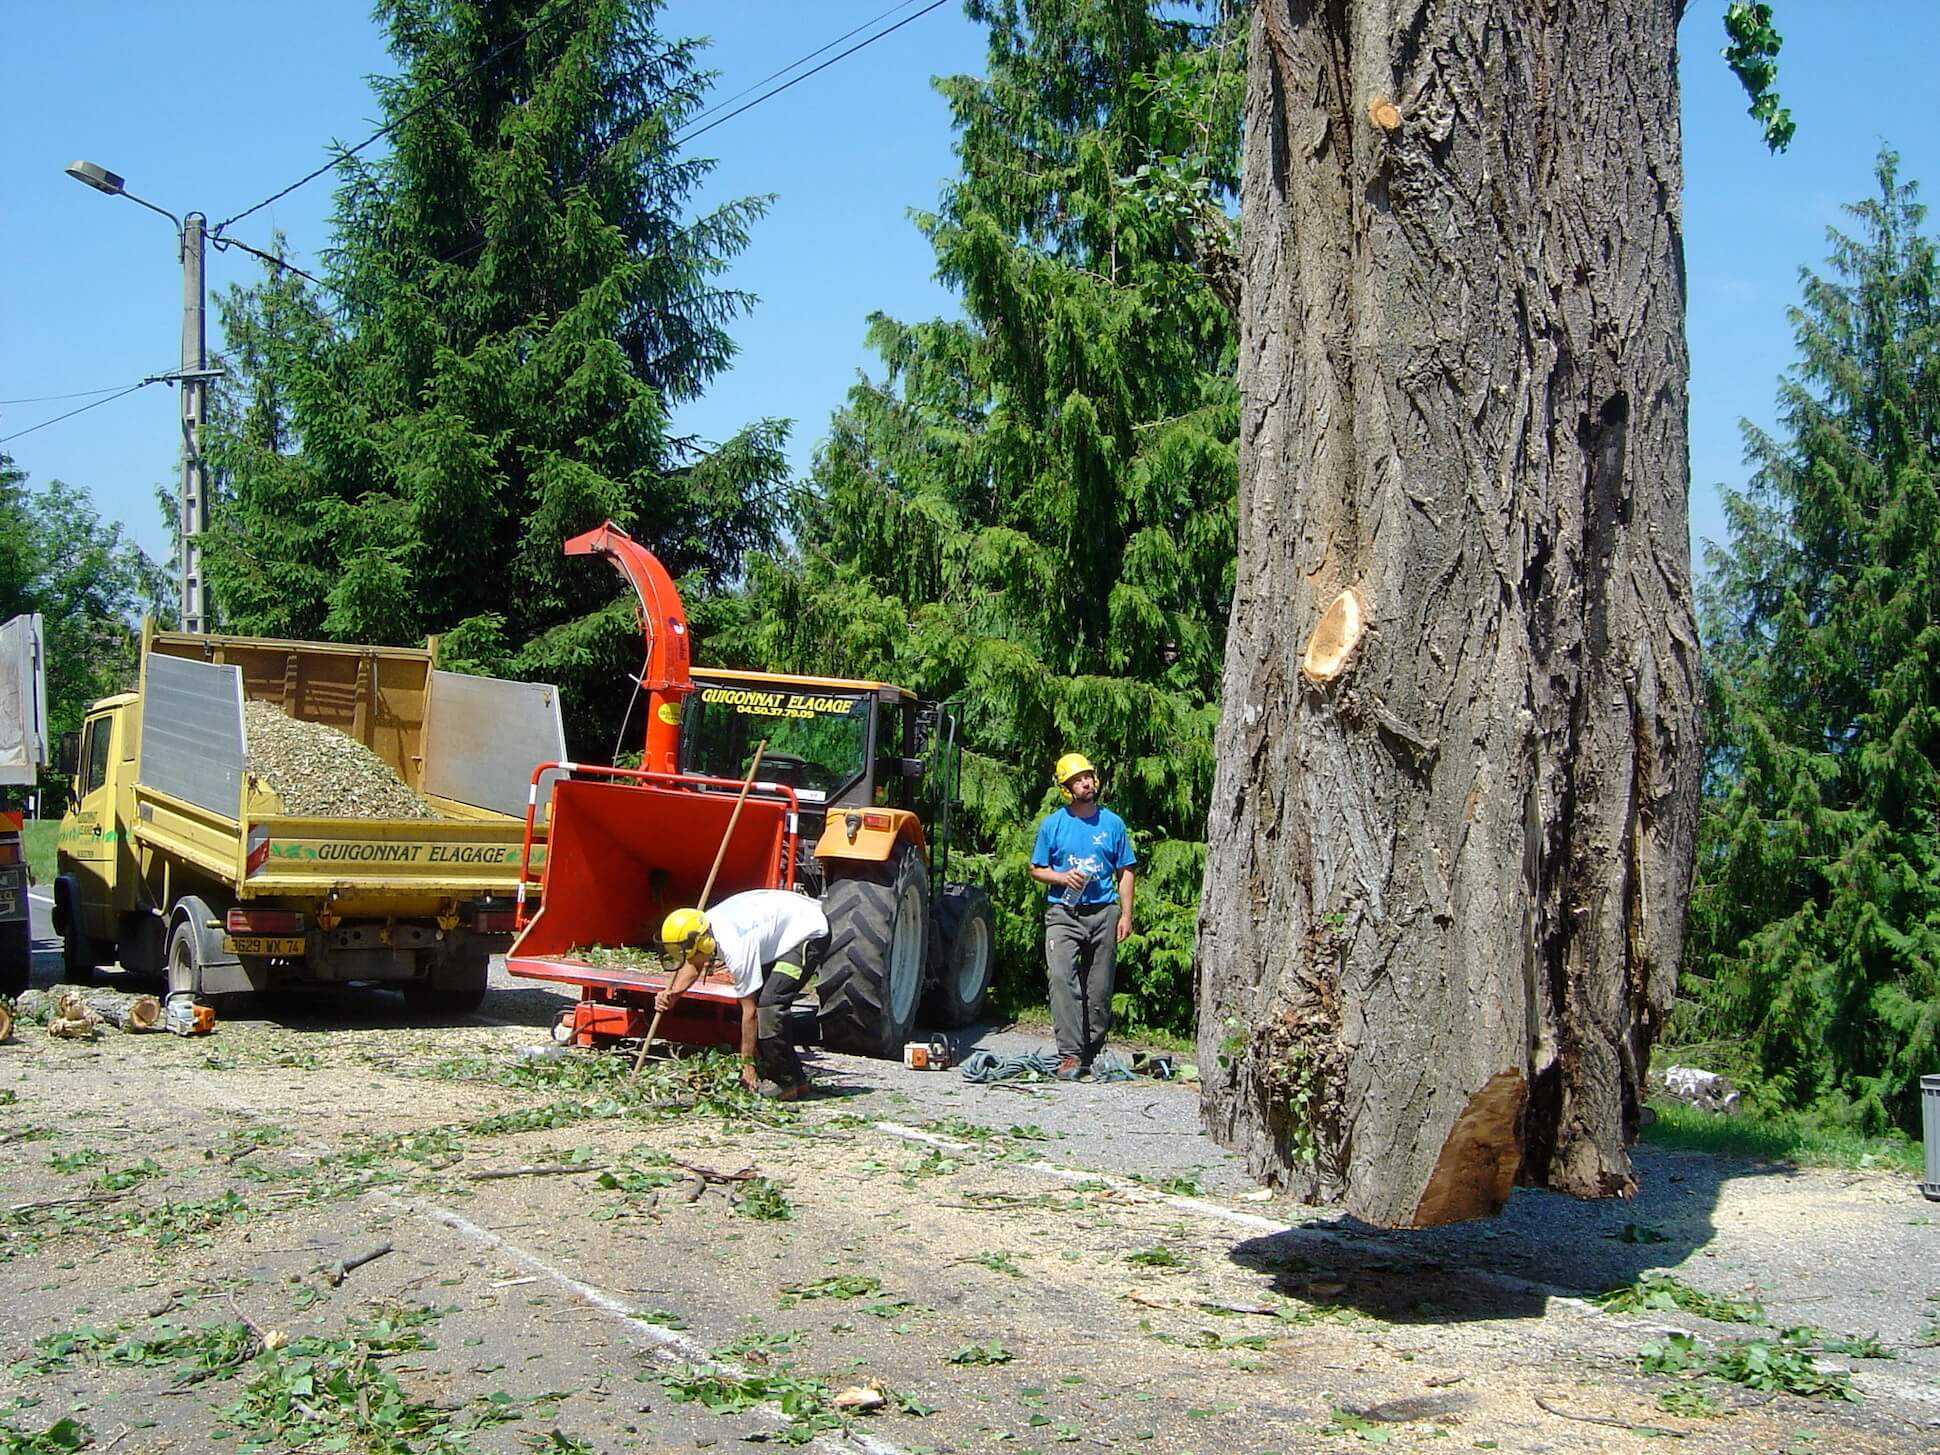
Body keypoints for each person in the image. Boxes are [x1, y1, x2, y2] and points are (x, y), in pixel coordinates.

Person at [656, 889, 829, 1100]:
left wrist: (747, 1065)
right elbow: (694, 963)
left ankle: (783, 1082)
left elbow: (750, 1013)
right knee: (767, 1001)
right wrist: (672, 994)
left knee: (770, 1005)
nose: (693, 960)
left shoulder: (735, 948)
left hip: (808, 931)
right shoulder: (704, 926)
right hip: (778, 930)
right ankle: (797, 1081)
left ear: (705, 943)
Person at [1028, 752, 1137, 1080]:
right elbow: (1036, 869)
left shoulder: (1113, 823)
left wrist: (1126, 915)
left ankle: (1092, 1051)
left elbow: (1126, 870)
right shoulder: (1053, 825)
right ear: (1065, 788)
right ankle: (1070, 1055)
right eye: (1078, 779)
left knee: (1099, 986)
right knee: (1062, 980)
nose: (1086, 782)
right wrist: (1061, 878)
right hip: (1063, 912)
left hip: (1104, 912)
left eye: (1088, 775)